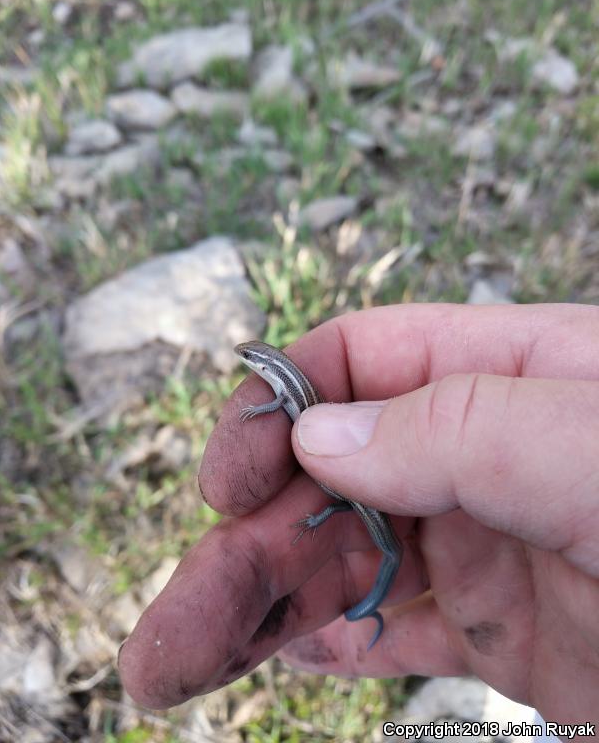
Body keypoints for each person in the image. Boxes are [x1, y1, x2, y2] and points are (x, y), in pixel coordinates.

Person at [118, 303, 599, 734]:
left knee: (353, 518)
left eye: (251, 360)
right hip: (350, 496)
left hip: (352, 495)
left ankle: (363, 597)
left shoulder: (285, 389)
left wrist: (327, 496)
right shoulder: (287, 383)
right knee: (365, 529)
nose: (247, 364)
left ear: (265, 367)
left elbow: (277, 406)